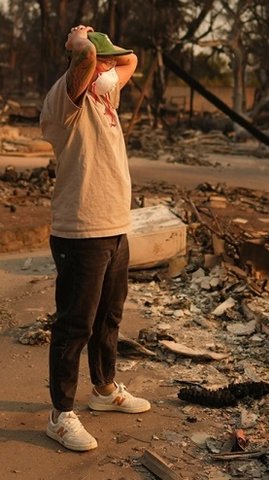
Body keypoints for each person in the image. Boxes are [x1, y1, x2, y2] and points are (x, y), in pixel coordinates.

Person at [40, 25, 150, 452]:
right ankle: (60, 414)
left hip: (114, 227)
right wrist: (78, 42)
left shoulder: (104, 96)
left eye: (106, 63)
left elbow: (131, 60)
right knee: (74, 325)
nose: (109, 69)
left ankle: (103, 390)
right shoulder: (65, 100)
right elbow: (86, 61)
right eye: (102, 63)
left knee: (108, 318)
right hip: (80, 231)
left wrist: (106, 54)